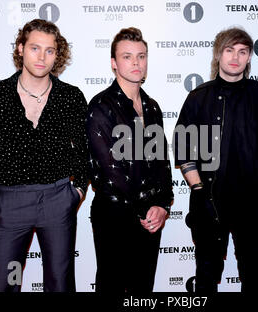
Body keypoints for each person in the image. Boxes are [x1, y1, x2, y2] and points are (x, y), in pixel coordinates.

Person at [0, 19, 88, 292]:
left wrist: (76, 191)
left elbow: (85, 150)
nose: (42, 57)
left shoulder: (71, 97)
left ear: (58, 54)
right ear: (20, 49)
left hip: (58, 201)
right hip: (10, 206)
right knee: (8, 283)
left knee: (60, 284)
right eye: (34, 48)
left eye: (50, 50)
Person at [173, 27, 258, 292]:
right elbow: (183, 148)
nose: (235, 57)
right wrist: (199, 190)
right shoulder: (199, 97)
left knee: (253, 274)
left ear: (249, 57)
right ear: (218, 54)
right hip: (209, 202)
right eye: (229, 50)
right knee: (206, 275)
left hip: (253, 203)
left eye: (242, 51)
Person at [85, 27, 173, 293]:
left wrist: (162, 205)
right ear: (114, 63)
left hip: (150, 216)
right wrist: (146, 208)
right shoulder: (100, 106)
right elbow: (112, 170)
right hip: (115, 215)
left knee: (142, 288)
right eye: (127, 56)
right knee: (111, 286)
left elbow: (162, 162)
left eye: (141, 56)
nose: (136, 63)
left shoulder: (152, 106)